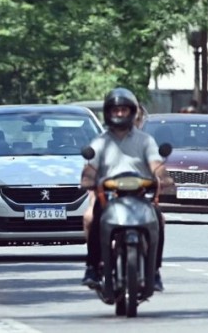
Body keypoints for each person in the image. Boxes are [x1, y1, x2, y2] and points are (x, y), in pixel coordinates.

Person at [79, 88, 169, 292]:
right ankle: (92, 267)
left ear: (132, 112)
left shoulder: (145, 140)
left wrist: (164, 176)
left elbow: (156, 164)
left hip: (141, 195)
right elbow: (90, 169)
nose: (120, 114)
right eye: (116, 110)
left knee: (159, 220)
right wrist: (88, 180)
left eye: (124, 110)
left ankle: (154, 272)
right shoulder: (100, 141)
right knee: (94, 220)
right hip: (110, 196)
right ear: (108, 112)